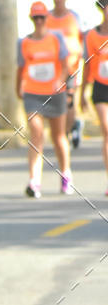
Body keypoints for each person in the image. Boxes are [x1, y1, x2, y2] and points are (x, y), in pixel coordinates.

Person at [17, 1, 72, 198]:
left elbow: (66, 65)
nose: (39, 21)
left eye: (42, 17)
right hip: (33, 93)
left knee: (58, 137)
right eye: (36, 18)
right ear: (32, 19)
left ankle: (66, 175)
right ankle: (34, 181)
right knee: (37, 133)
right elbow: (20, 68)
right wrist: (18, 88)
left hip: (54, 94)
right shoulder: (24, 42)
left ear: (46, 19)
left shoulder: (56, 38)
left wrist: (61, 80)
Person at [47, 1, 84, 147]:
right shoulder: (47, 17)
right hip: (53, 69)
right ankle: (67, 130)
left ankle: (66, 133)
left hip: (71, 66)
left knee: (69, 99)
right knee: (56, 101)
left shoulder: (74, 17)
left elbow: (81, 40)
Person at [81, 0, 108, 193]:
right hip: (100, 86)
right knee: (107, 131)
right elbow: (88, 65)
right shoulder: (91, 35)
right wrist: (82, 93)